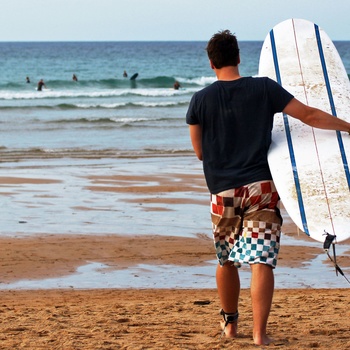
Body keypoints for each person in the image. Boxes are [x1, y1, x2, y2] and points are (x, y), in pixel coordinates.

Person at [186, 30, 350, 346]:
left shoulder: (200, 100)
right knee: (261, 259)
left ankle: (231, 326)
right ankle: (260, 335)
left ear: (211, 63)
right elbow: (309, 115)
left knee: (227, 260)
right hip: (261, 187)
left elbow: (199, 152)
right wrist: (346, 126)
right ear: (238, 57)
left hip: (224, 191)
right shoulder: (264, 88)